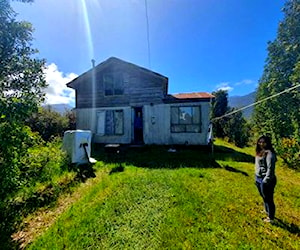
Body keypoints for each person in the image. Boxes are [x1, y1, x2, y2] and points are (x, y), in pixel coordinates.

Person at [255, 135, 277, 223]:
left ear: (267, 143)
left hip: (266, 180)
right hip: (258, 178)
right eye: (260, 142)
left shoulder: (269, 153)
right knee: (264, 197)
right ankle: (266, 210)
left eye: (263, 142)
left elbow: (270, 169)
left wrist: (265, 181)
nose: (261, 143)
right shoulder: (260, 151)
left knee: (269, 199)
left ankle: (271, 218)